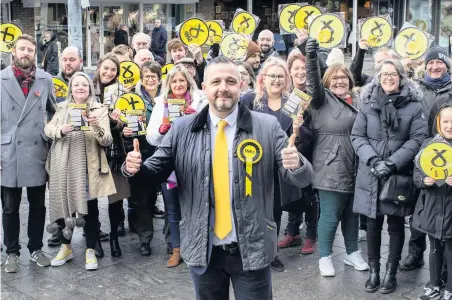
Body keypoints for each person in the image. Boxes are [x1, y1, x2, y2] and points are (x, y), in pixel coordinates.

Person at [123, 56, 313, 300]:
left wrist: (296, 163)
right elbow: (152, 175)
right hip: (204, 250)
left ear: (241, 86)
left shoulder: (267, 126)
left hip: (252, 248)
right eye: (216, 81)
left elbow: (302, 178)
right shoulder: (182, 129)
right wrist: (134, 169)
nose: (223, 87)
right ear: (204, 88)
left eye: (230, 81)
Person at [351, 59, 428, 294]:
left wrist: (393, 164)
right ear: (378, 77)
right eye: (384, 74)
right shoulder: (367, 103)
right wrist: (374, 160)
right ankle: (374, 271)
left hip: (397, 174)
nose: (388, 78)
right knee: (373, 225)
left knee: (396, 226)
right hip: (371, 173)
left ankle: (390, 273)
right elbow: (357, 136)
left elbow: (417, 139)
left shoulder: (414, 106)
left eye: (393, 74)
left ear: (401, 76)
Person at [305, 38, 369, 277]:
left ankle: (352, 253)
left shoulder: (359, 99)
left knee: (352, 214)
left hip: (357, 165)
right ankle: (325, 257)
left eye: (343, 77)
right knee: (330, 215)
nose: (340, 81)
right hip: (331, 165)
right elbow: (313, 82)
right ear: (327, 82)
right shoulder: (321, 101)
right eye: (334, 78)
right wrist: (311, 57)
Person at [241, 57, 306, 272]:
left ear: (286, 79)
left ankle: (271, 253)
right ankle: (250, 250)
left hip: (279, 168)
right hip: (254, 164)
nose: (276, 80)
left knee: (275, 212)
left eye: (280, 76)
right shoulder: (250, 100)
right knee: (252, 209)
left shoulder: (294, 102)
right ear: (263, 79)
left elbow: (301, 139)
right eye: (272, 76)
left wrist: (298, 130)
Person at [45, 72, 116, 270]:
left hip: (88, 167)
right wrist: (61, 130)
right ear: (71, 89)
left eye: (84, 85)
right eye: (76, 85)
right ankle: (66, 247)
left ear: (90, 88)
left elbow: (107, 140)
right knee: (66, 207)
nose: (80, 88)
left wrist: (95, 127)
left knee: (90, 209)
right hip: (64, 166)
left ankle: (90, 250)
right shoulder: (61, 108)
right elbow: (48, 129)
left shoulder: (99, 109)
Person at [1, 34, 56, 273]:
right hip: (8, 152)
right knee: (10, 207)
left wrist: (48, 134)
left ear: (36, 54)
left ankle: (36, 248)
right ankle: (11, 252)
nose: (26, 53)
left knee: (38, 206)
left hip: (36, 150)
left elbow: (54, 111)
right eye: (22, 49)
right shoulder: (1, 79)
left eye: (30, 50)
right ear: (13, 52)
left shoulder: (45, 79)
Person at [147, 64, 208, 267]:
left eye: (182, 80)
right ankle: (176, 249)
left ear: (188, 82)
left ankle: (198, 246)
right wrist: (162, 130)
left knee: (197, 205)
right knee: (172, 208)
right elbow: (151, 136)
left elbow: (210, 131)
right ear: (168, 84)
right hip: (170, 163)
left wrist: (196, 117)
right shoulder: (160, 104)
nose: (178, 84)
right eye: (174, 81)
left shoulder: (201, 102)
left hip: (194, 161)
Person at [401, 46, 452, 272]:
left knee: (441, 206)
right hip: (420, 154)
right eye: (430, 63)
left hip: (445, 156)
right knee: (418, 207)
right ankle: (415, 252)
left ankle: (442, 258)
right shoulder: (416, 89)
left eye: (439, 62)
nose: (434, 66)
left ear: (446, 65)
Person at [278, 53, 319, 255]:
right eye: (296, 68)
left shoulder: (315, 93)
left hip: (312, 147)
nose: (301, 72)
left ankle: (311, 234)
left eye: (304, 68)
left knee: (310, 193)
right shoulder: (286, 94)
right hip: (291, 145)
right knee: (293, 190)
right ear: (290, 71)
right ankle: (292, 231)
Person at [121, 62, 162, 256]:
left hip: (163, 152)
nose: (150, 79)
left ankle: (172, 241)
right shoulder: (133, 99)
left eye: (154, 75)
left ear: (160, 79)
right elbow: (126, 127)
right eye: (147, 76)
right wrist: (125, 130)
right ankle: (145, 239)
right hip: (141, 151)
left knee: (157, 197)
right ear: (141, 79)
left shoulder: (167, 100)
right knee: (142, 199)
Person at [92, 53, 130, 258]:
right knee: (92, 197)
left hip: (115, 149)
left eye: (113, 70)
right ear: (99, 67)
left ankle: (115, 238)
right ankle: (95, 238)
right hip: (93, 149)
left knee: (115, 198)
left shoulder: (122, 91)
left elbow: (127, 122)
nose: (108, 73)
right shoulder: (89, 89)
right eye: (105, 68)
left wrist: (117, 121)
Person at [414, 103, 452, 300]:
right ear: (438, 123)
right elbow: (417, 173)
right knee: (435, 248)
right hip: (432, 208)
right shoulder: (429, 145)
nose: (450, 125)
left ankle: (450, 289)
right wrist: (425, 181)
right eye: (445, 121)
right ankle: (434, 284)